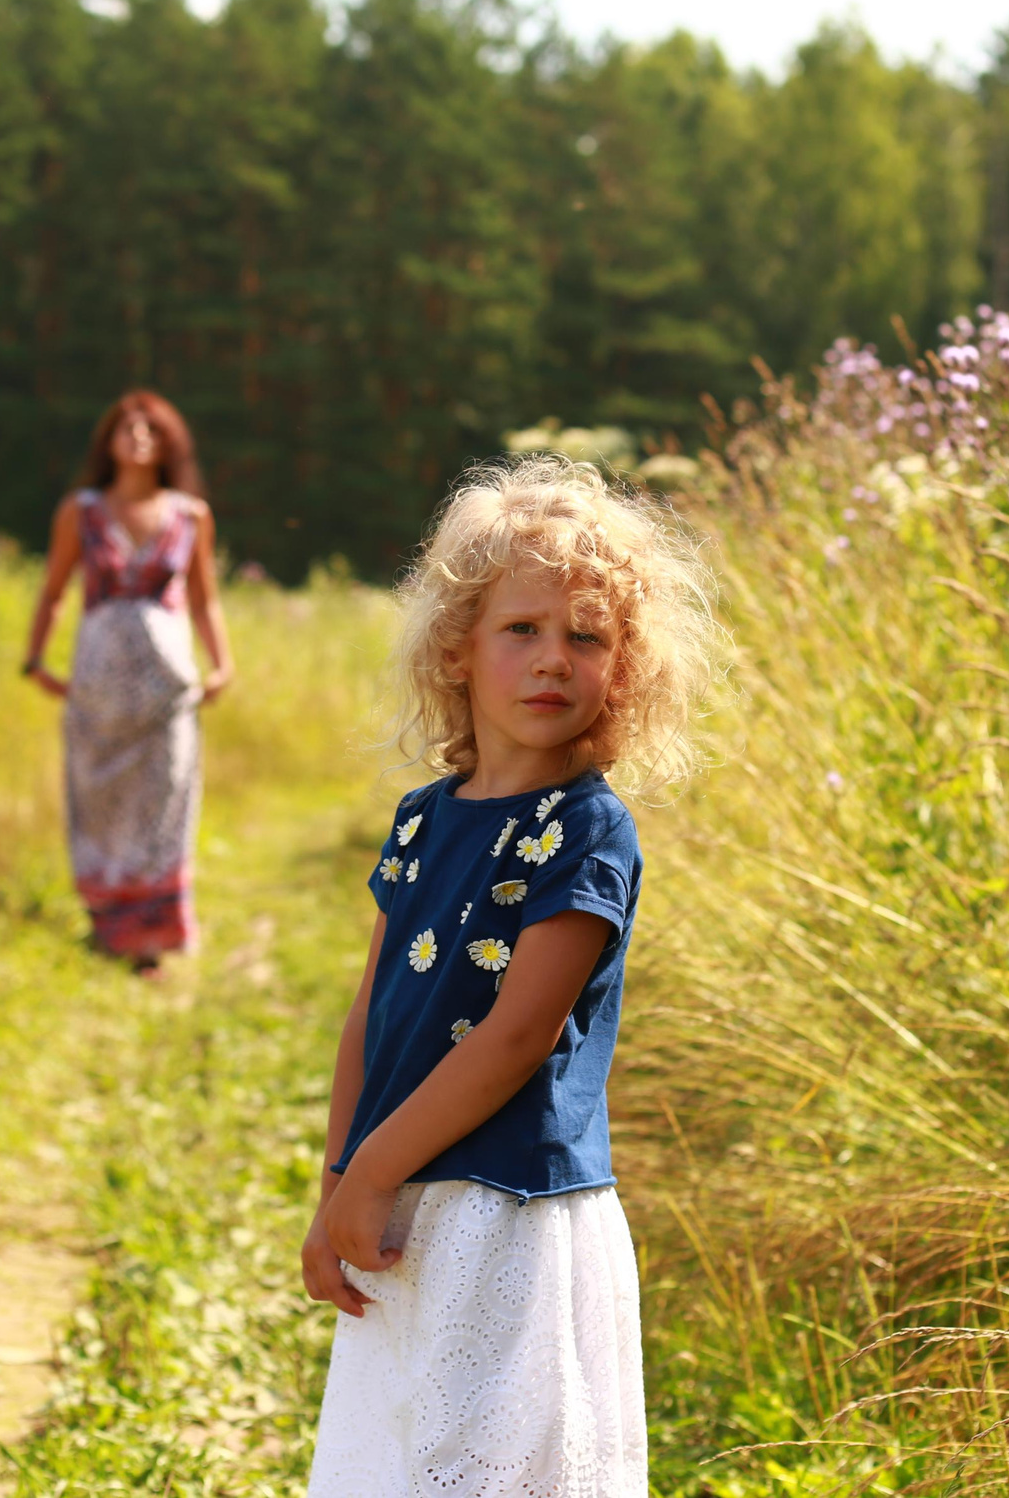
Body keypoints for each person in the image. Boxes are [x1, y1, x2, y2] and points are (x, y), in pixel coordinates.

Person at [300, 457, 723, 1498]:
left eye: (587, 637)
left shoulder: (585, 834)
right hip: (404, 1196)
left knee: (488, 1467)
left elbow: (513, 1037)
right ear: (458, 652)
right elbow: (370, 1012)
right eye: (522, 630)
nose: (552, 660)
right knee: (404, 1453)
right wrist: (336, 1185)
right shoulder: (421, 821)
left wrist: (375, 1170)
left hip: (508, 1215)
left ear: (624, 668)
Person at [22, 390, 234, 971]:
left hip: (167, 688)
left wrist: (223, 663)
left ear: (169, 443)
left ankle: (154, 939)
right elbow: (54, 588)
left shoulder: (190, 515)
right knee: (100, 800)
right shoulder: (82, 510)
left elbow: (203, 598)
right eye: (128, 429)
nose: (139, 439)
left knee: (163, 800)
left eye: (152, 430)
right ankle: (106, 926)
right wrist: (35, 658)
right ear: (109, 440)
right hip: (98, 687)